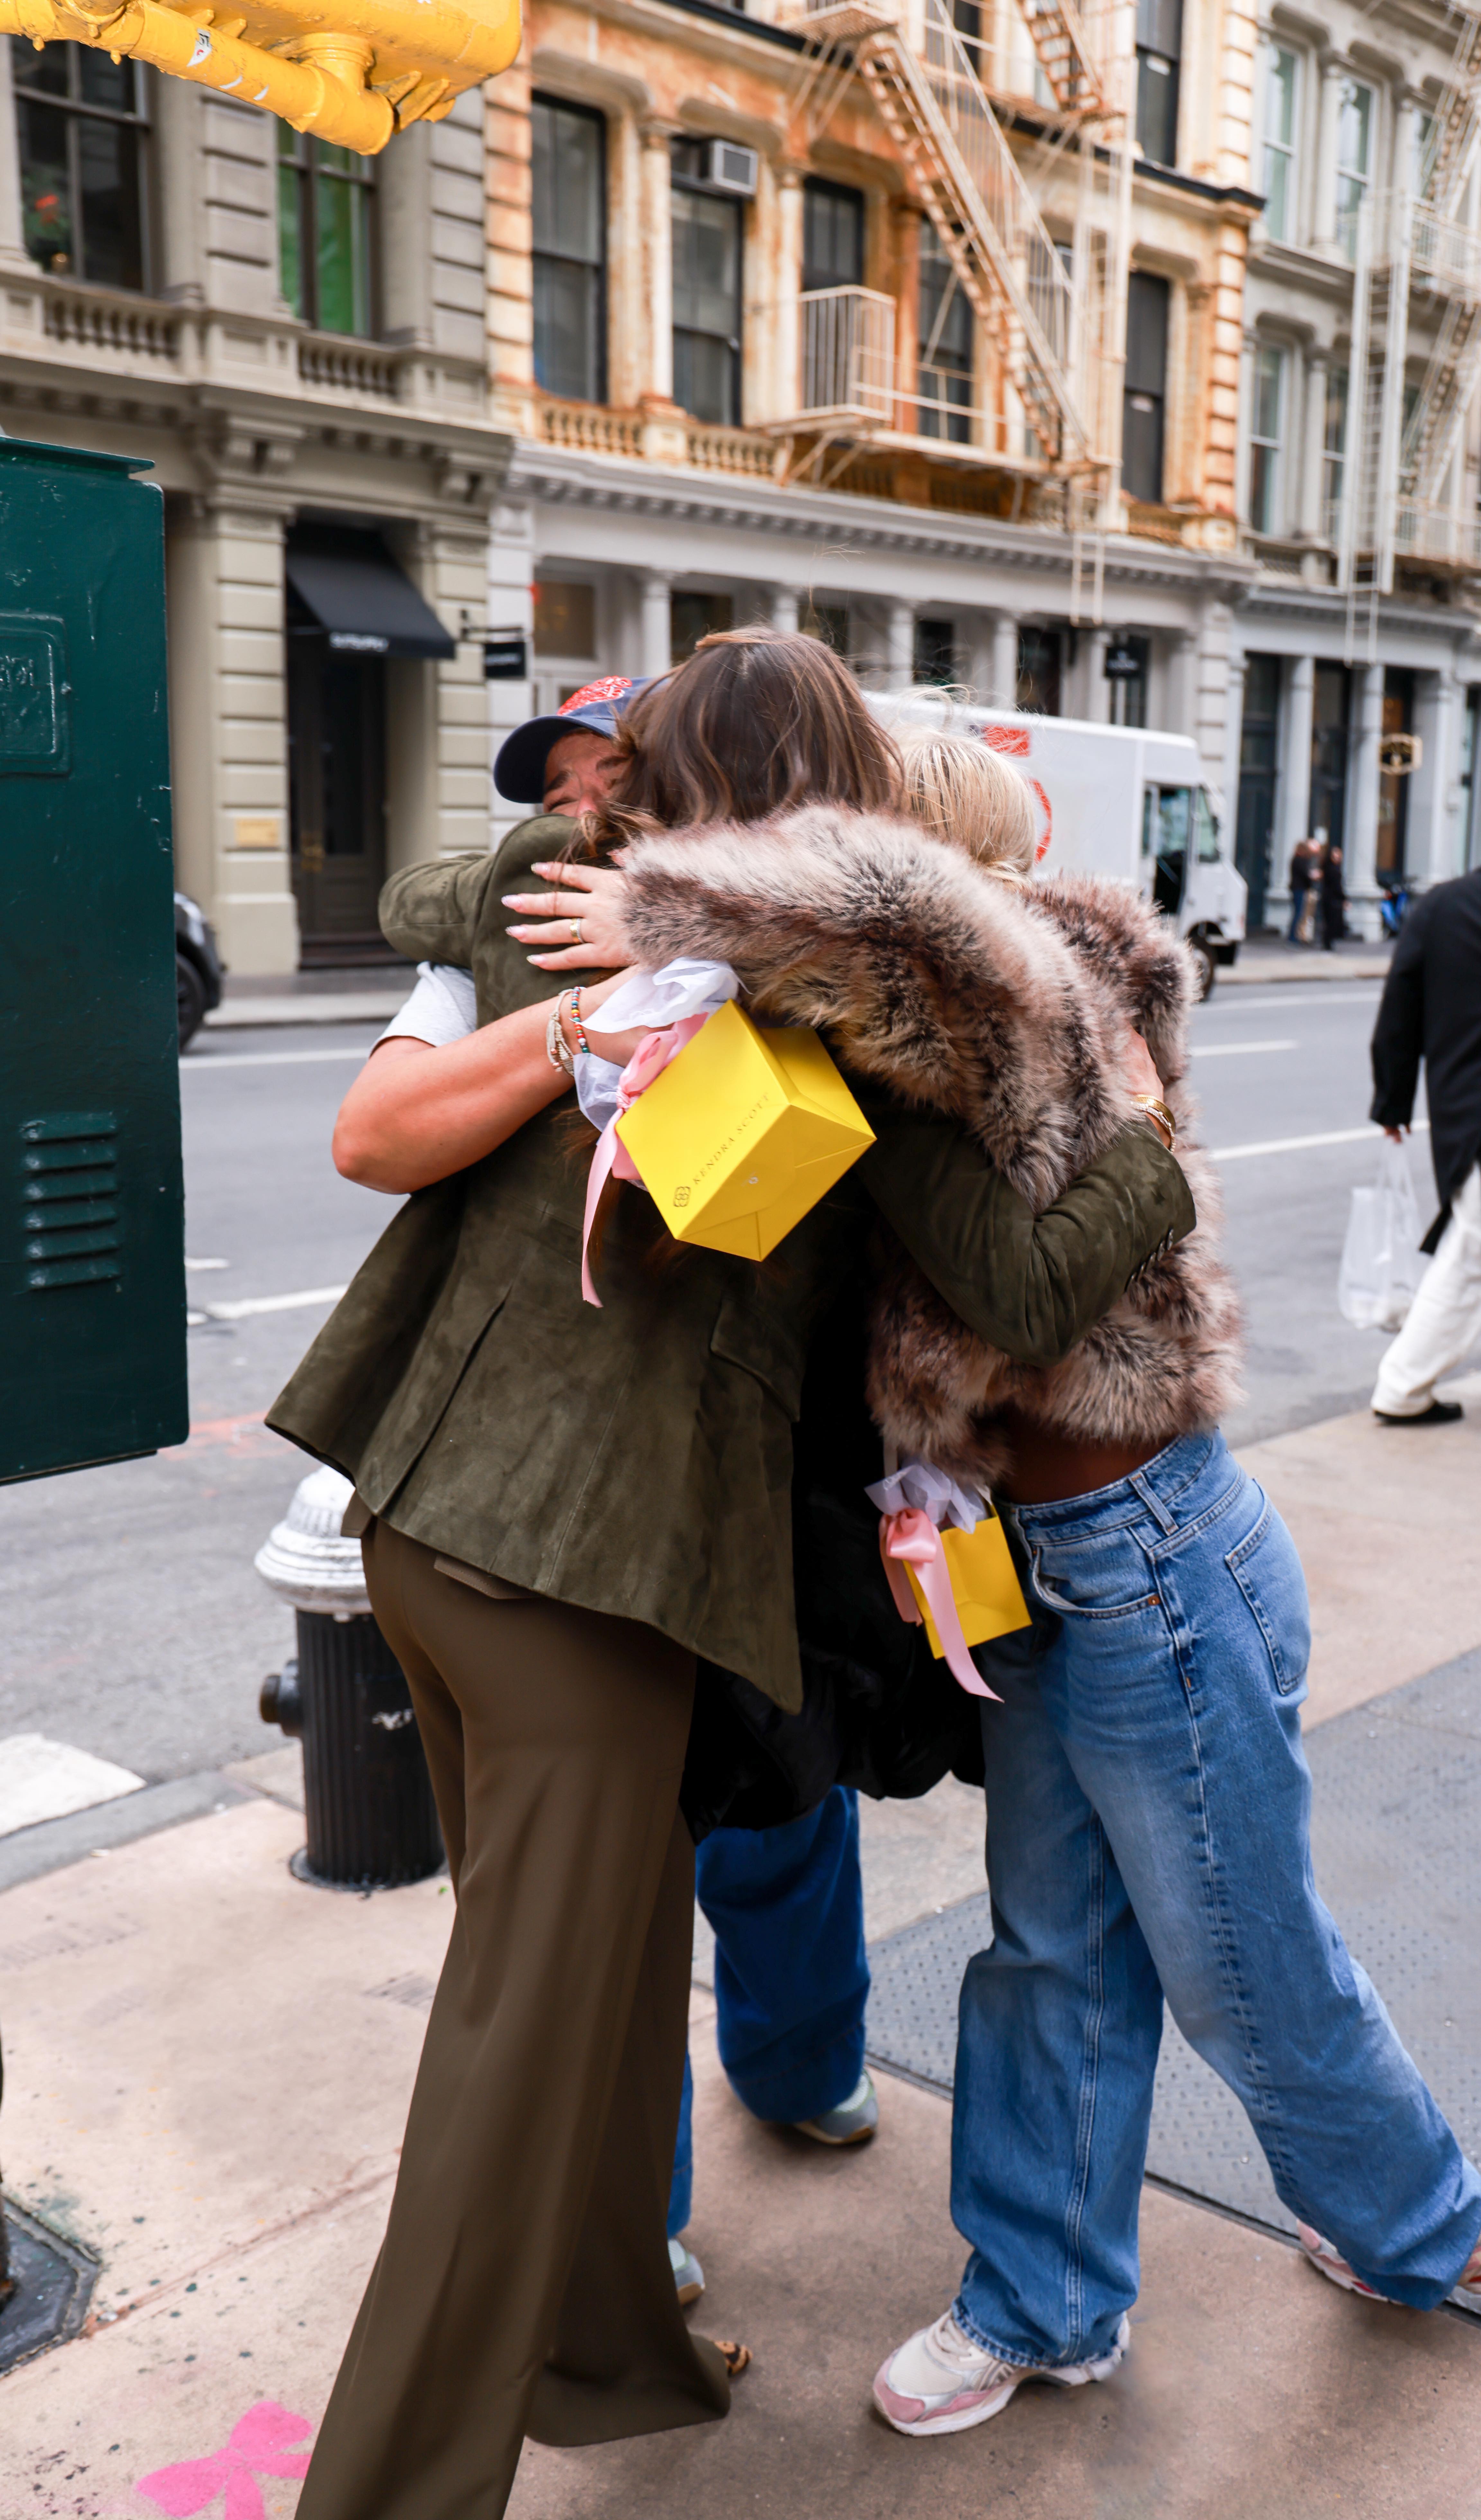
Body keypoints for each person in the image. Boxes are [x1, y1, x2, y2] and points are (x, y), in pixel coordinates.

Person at [268, 632, 1195, 2520]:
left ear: (636, 779)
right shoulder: (836, 993)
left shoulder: (578, 910)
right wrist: (1146, 1149)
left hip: (430, 1534)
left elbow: (430, 890)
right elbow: (1021, 1277)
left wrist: (609, 889)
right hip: (582, 1582)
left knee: (596, 2001)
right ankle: (393, 2491)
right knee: (524, 2052)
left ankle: (612, 2350)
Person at [607, 722, 1481, 2441]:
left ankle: (1425, 2228)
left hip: (1150, 1558)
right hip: (1066, 1559)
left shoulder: (1005, 1028)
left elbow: (1017, 1289)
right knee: (1051, 1956)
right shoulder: (977, 1012)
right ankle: (1044, 2303)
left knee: (1236, 1959)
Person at [376, 669, 882, 2316]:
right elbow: (381, 1102)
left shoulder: (817, 921)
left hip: (787, 1448)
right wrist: (573, 981)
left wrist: (701, 925)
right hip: (604, 1486)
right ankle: (635, 2213)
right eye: (561, 778)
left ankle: (803, 2069)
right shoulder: (538, 920)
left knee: (790, 1806)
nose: (584, 797)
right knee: (634, 1866)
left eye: (614, 767)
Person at [1369, 861, 1481, 1426]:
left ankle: (1404, 1385)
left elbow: (1398, 1011)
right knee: (1468, 1256)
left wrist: (1392, 1103)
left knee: (1470, 1248)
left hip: (1465, 1110)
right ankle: (1402, 1385)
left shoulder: (1441, 908)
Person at [1318, 839, 1347, 949]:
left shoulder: (1328, 868)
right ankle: (1328, 943)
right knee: (1331, 922)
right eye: (1336, 854)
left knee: (1329, 922)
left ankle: (1327, 942)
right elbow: (1337, 886)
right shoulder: (1334, 870)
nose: (1338, 856)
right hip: (1333, 899)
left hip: (1329, 898)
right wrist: (1343, 898)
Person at [1287, 835, 1315, 944]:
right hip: (1300, 889)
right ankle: (1294, 937)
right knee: (1299, 913)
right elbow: (1306, 875)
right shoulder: (1300, 861)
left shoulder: (1296, 860)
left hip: (1297, 888)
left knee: (1298, 913)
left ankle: (1295, 936)